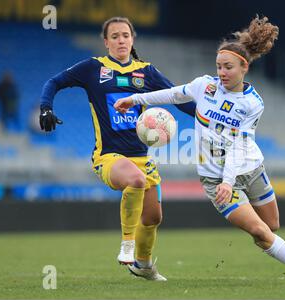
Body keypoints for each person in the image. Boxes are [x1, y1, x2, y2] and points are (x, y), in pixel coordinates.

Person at [115, 16, 285, 285]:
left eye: (228, 67)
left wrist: (232, 178)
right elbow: (173, 94)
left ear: (244, 67)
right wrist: (134, 98)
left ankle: (265, 238)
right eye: (219, 67)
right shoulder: (205, 85)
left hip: (250, 168)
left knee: (271, 227)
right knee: (260, 231)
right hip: (216, 180)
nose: (222, 72)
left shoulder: (252, 104)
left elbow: (238, 144)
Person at [39, 17, 196, 281]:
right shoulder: (93, 68)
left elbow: (178, 98)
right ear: (106, 42)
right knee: (134, 180)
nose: (121, 40)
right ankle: (127, 244)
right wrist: (46, 107)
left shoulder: (146, 72)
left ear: (132, 39)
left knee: (153, 218)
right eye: (115, 36)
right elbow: (53, 82)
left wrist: (208, 119)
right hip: (109, 157)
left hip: (143, 159)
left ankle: (143, 265)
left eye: (125, 35)